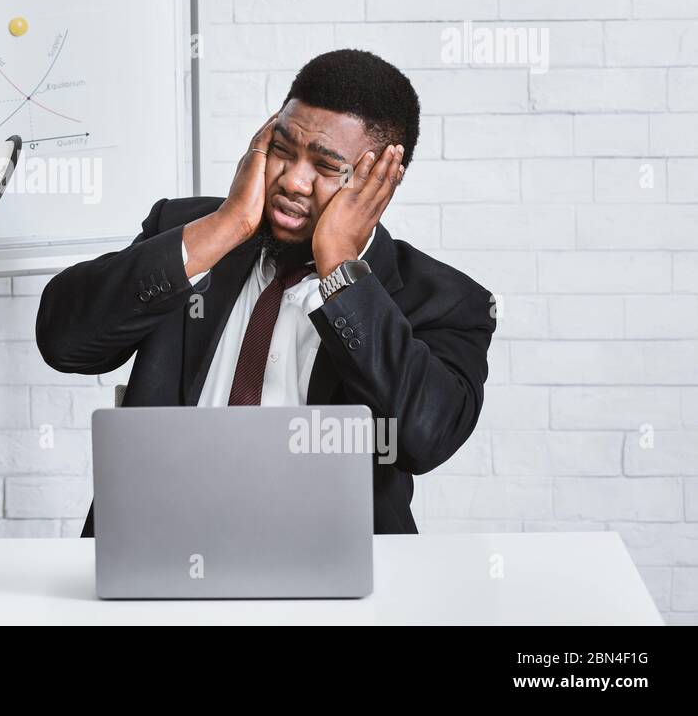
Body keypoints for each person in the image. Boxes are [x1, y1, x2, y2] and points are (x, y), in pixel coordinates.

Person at [36, 49, 497, 536]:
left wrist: (339, 264)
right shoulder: (186, 231)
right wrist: (224, 228)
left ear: (380, 180)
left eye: (324, 165)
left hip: (328, 563)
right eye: (283, 150)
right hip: (159, 543)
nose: (293, 180)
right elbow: (64, 343)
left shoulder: (443, 299)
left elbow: (425, 438)